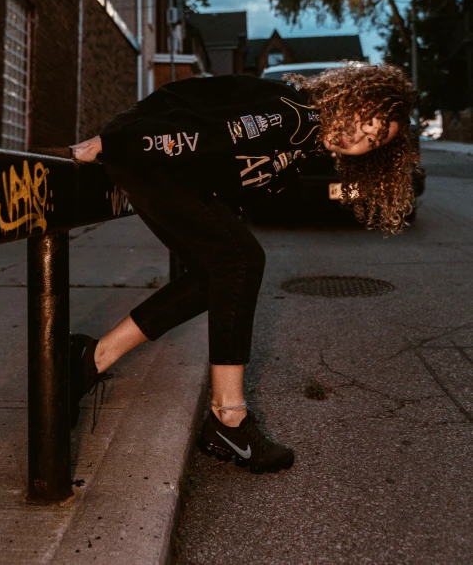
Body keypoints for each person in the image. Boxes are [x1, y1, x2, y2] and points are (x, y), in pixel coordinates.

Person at [69, 63, 418, 474]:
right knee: (241, 259)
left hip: (167, 164)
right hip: (152, 150)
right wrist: (117, 142)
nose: (358, 135)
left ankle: (89, 358)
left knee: (215, 274)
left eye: (372, 139)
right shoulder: (295, 113)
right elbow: (204, 130)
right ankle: (228, 417)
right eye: (363, 118)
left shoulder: (306, 142)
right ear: (348, 97)